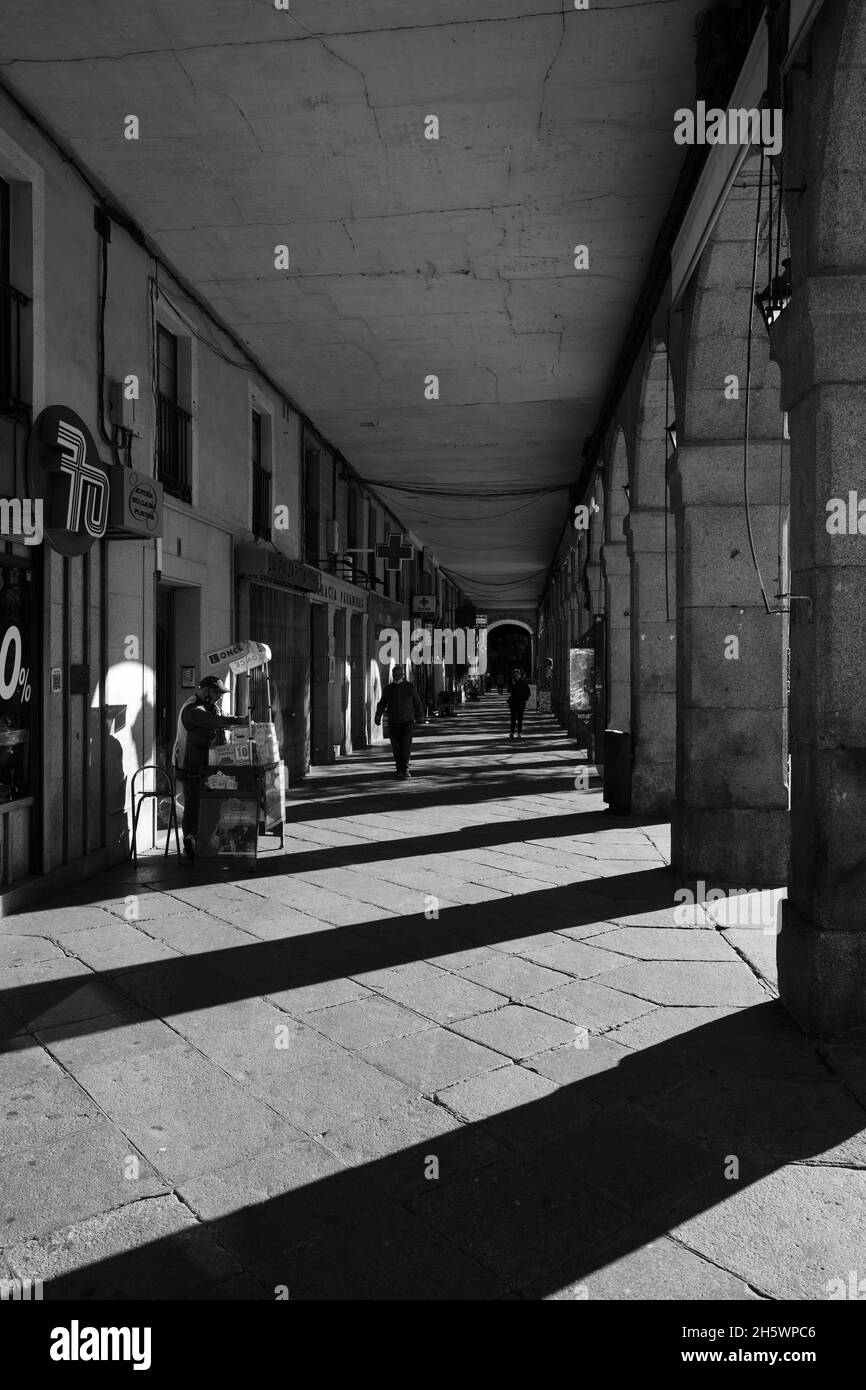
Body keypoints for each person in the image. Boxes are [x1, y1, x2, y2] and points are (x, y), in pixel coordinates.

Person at [173, 674, 248, 858]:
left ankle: (205, 840)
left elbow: (222, 717)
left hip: (206, 764)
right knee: (193, 805)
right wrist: (240, 721)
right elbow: (214, 722)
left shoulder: (210, 706)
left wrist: (239, 720)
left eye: (221, 693)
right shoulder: (193, 709)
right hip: (189, 765)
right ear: (205, 691)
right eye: (217, 692)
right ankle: (189, 843)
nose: (219, 697)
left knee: (211, 804)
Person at [375, 664, 425, 779]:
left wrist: (420, 716)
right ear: (392, 676)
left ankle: (405, 769)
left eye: (398, 675)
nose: (396, 677)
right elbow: (382, 703)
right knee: (396, 747)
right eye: (394, 675)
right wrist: (378, 716)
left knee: (405, 746)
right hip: (393, 721)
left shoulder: (410, 687)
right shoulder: (388, 689)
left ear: (402, 675)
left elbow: (417, 703)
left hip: (407, 721)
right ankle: (399, 770)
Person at [506, 667, 531, 740]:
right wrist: (513, 684)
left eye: (517, 674)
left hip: (521, 703)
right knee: (513, 718)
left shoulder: (523, 682)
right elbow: (509, 691)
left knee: (520, 718)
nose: (516, 675)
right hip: (513, 703)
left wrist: (524, 698)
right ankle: (512, 732)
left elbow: (528, 692)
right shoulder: (512, 682)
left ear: (519, 674)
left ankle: (519, 733)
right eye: (514, 674)